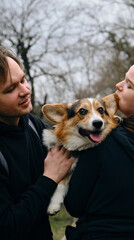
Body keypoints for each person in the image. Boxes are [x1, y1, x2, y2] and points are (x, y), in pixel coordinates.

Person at [64, 56, 134, 240]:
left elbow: (74, 204)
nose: (118, 85)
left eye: (129, 85)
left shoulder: (102, 139)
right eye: (124, 78)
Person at [0, 46, 76, 240]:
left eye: (23, 80)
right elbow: (7, 227)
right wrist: (49, 178)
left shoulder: (34, 126)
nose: (25, 90)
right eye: (11, 89)